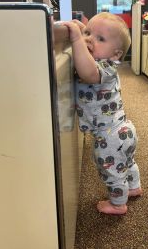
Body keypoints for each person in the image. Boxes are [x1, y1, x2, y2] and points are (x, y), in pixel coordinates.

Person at [59, 12, 142, 215]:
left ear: (116, 54)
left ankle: (118, 204)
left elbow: (87, 72)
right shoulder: (103, 61)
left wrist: (78, 39)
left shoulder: (106, 67)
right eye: (89, 32)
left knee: (112, 171)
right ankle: (134, 187)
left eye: (100, 38)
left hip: (109, 135)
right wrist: (81, 30)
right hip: (123, 129)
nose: (90, 39)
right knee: (127, 162)